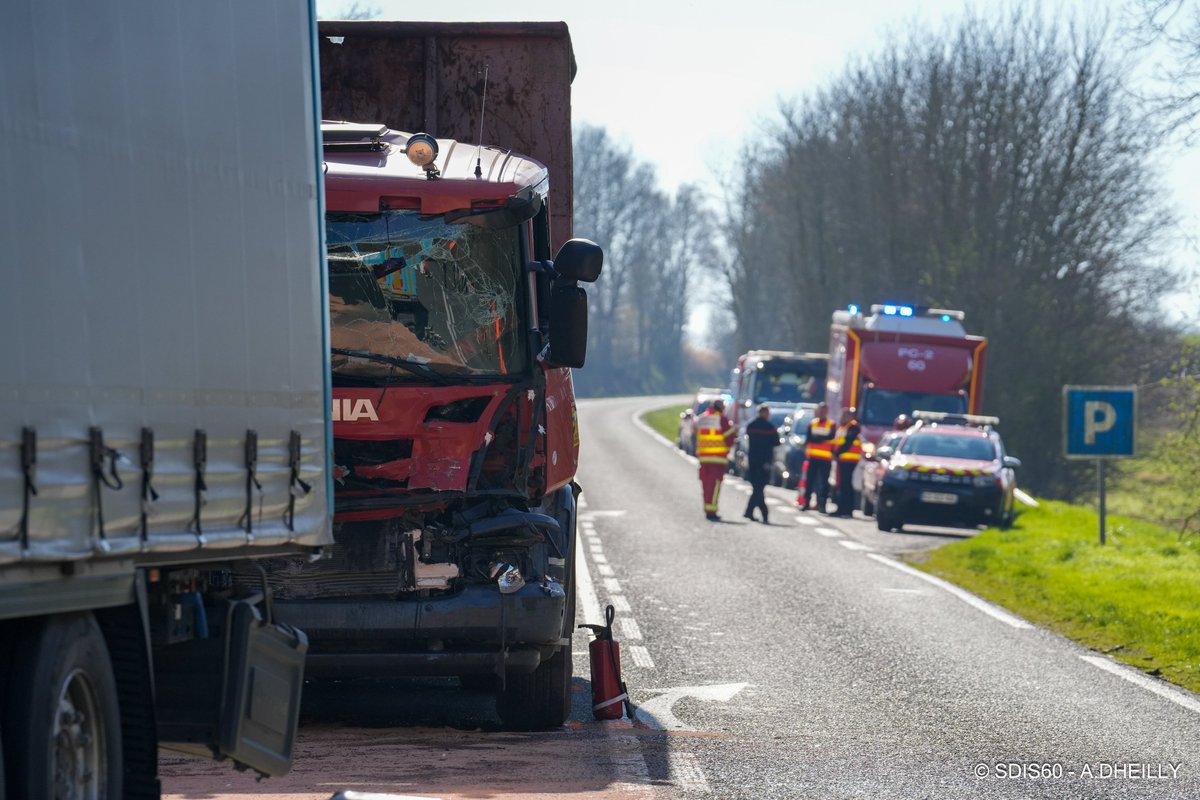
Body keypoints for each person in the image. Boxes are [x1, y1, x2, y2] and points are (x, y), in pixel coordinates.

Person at [695, 398, 736, 521]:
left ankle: (707, 508)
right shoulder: (721, 419)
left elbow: (696, 433)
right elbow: (729, 438)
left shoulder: (702, 418)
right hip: (717, 459)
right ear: (721, 408)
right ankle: (711, 511)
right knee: (714, 486)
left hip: (703, 458)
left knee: (706, 485)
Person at [743, 404, 780, 523]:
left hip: (753, 460)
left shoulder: (751, 425)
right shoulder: (769, 427)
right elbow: (776, 441)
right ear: (765, 413)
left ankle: (758, 513)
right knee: (759, 488)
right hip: (764, 461)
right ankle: (756, 512)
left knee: (757, 488)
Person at [801, 402, 836, 512]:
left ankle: (822, 505)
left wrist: (818, 438)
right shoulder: (812, 423)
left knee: (824, 483)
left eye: (824, 411)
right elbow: (809, 438)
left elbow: (831, 437)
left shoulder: (831, 424)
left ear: (827, 412)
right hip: (812, 458)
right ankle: (806, 503)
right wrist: (822, 438)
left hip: (826, 459)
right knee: (809, 481)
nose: (821, 413)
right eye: (820, 410)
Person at [831, 407, 863, 517]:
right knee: (842, 484)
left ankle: (847, 510)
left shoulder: (853, 427)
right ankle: (841, 508)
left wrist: (837, 453)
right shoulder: (843, 427)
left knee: (846, 485)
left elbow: (848, 442)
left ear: (850, 417)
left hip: (849, 460)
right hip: (843, 460)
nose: (842, 417)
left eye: (845, 415)